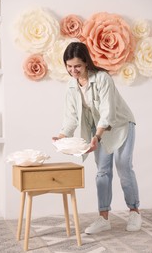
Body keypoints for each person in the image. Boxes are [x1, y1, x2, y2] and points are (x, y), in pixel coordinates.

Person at [52, 42, 142, 234]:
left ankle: (134, 211)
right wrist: (61, 136)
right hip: (99, 130)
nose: (73, 70)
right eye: (69, 66)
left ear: (85, 63)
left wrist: (97, 137)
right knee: (102, 171)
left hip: (120, 125)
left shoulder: (102, 78)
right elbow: (71, 118)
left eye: (77, 66)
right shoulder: (71, 86)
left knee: (123, 166)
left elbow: (107, 113)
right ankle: (103, 217)